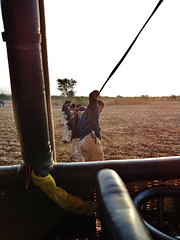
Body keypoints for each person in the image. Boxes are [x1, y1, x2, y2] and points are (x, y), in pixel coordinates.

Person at [78, 90, 105, 161]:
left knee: (88, 167)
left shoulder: (83, 114)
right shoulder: (94, 108)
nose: (101, 110)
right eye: (101, 107)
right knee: (97, 164)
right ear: (97, 105)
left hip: (82, 142)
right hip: (90, 140)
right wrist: (93, 96)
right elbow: (93, 101)